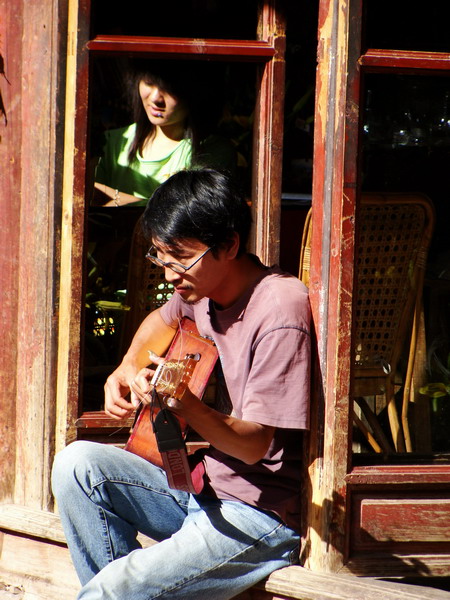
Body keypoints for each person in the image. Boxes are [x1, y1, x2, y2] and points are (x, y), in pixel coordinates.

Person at [52, 168, 311, 600]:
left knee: (111, 591)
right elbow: (160, 318)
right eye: (160, 257)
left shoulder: (281, 309)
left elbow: (254, 447)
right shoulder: (201, 291)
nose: (169, 274)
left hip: (258, 517)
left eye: (179, 259)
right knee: (77, 465)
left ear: (228, 245)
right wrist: (124, 368)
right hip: (202, 490)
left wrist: (186, 404)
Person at [93, 61, 237, 207]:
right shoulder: (112, 143)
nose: (156, 98)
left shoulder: (212, 151)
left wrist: (115, 198)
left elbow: (190, 212)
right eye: (149, 83)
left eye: (169, 89)